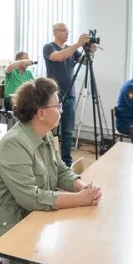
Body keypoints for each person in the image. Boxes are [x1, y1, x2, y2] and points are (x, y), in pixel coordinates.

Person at [0, 78, 105, 264]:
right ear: (40, 113)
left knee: (71, 243)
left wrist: (82, 188)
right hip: (3, 221)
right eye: (57, 106)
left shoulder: (43, 134)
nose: (61, 110)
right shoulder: (14, 144)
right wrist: (79, 200)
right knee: (58, 253)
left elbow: (60, 170)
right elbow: (31, 198)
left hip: (28, 213)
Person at [43, 24, 96, 165]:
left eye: (68, 31)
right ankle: (48, 161)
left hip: (70, 93)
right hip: (53, 95)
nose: (67, 33)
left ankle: (66, 162)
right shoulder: (49, 47)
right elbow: (59, 57)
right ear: (55, 32)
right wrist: (78, 44)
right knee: (49, 128)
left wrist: (90, 52)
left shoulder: (71, 50)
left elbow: (84, 62)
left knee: (67, 131)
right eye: (64, 31)